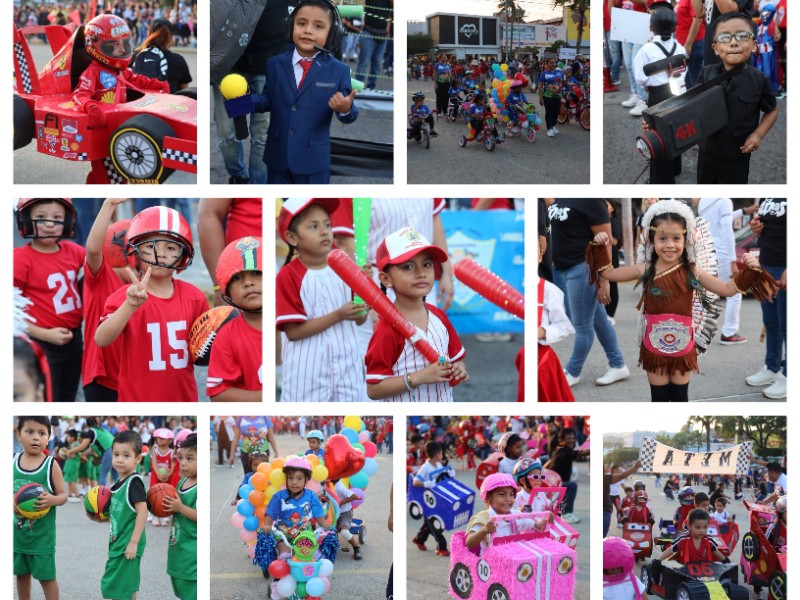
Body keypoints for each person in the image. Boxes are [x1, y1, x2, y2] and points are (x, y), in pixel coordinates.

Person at [588, 199, 778, 401]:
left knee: (680, 398)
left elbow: (727, 289)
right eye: (662, 238)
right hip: (653, 347)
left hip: (684, 347)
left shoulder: (693, 271)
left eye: (676, 238)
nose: (670, 245)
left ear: (686, 240)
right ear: (652, 240)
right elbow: (607, 273)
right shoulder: (645, 269)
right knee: (659, 399)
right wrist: (600, 245)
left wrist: (750, 270)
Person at [95, 206, 209, 402]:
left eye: (171, 247)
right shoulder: (123, 297)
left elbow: (205, 351)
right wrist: (130, 305)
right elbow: (101, 339)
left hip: (183, 400)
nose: (161, 254)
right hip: (138, 400)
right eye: (150, 246)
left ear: (183, 255)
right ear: (135, 252)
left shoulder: (195, 297)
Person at [242, 0, 358, 184]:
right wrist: (239, 104)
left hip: (313, 162)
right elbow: (268, 99)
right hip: (277, 159)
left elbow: (350, 113)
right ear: (289, 27)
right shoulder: (275, 63)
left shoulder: (339, 70)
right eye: (301, 23)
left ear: (332, 34)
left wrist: (345, 108)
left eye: (318, 26)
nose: (308, 30)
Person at [276, 199, 368, 402]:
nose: (325, 231)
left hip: (348, 372)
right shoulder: (287, 275)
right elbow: (293, 332)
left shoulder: (348, 267)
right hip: (307, 377)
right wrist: (339, 315)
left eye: (327, 224)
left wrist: (365, 286)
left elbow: (360, 318)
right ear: (292, 237)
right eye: (314, 226)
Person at [365, 227, 468, 402]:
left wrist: (459, 368)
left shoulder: (439, 316)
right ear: (386, 279)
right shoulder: (386, 328)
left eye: (427, 265)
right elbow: (374, 389)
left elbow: (457, 360)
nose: (421, 273)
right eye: (408, 266)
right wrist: (418, 378)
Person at [547, 198, 629, 388]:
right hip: (562, 268)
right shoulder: (562, 196)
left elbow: (605, 241)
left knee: (582, 326)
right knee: (598, 320)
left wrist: (604, 279)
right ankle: (618, 364)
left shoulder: (591, 200)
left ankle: (573, 371)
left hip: (583, 268)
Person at [14, 198, 84, 403]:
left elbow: (100, 264)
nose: (50, 224)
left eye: (57, 218)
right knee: (48, 399)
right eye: (41, 217)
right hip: (42, 342)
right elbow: (9, 312)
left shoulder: (75, 251)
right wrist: (45, 334)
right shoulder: (20, 259)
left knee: (68, 398)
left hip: (75, 339)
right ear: (26, 220)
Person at [694, 13, 778, 184]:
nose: (733, 42)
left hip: (737, 157)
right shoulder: (706, 73)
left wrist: (758, 134)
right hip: (706, 153)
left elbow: (772, 111)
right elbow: (688, 105)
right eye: (724, 37)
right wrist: (657, 125)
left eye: (742, 36)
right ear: (715, 48)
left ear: (754, 45)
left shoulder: (759, 80)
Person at [82, 198, 132, 402]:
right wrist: (109, 204)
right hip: (101, 377)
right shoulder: (102, 277)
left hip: (135, 376)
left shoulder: (152, 285)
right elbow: (93, 250)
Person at [14, 416, 68, 600]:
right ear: (18, 434)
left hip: (41, 539)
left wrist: (52, 500)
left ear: (48, 437)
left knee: (47, 578)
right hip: (17, 537)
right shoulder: (11, 462)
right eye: (29, 432)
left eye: (42, 433)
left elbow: (63, 495)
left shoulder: (51, 465)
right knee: (21, 575)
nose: (36, 437)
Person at [634, 5, 687, 184]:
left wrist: (649, 86)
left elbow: (640, 78)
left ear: (651, 27)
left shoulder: (646, 50)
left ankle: (663, 180)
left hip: (657, 96)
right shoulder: (680, 48)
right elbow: (684, 71)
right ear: (674, 28)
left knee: (659, 138)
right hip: (678, 93)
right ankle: (676, 167)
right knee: (675, 130)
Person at [263, 457, 329, 598]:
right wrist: (267, 524)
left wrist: (324, 525)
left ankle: (312, 585)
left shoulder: (311, 496)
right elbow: (271, 512)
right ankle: (276, 584)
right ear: (285, 479)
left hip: (305, 537)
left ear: (306, 480)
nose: (294, 482)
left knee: (314, 558)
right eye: (290, 478)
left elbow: (318, 514)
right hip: (284, 536)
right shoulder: (279, 496)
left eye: (299, 478)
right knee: (285, 557)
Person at [208, 237, 263, 401]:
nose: (248, 283)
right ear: (227, 293)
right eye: (237, 278)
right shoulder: (226, 336)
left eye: (257, 273)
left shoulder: (289, 324)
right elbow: (218, 395)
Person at [745, 198, 786, 398]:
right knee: (771, 322)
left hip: (785, 267)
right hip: (767, 265)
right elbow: (768, 228)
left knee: (788, 325)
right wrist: (756, 228)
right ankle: (772, 368)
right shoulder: (768, 196)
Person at [101, 431, 148, 600]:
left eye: (126, 455)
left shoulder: (133, 482)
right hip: (118, 541)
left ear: (138, 459)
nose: (120, 459)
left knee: (121, 587)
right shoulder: (117, 484)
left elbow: (143, 512)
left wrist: (133, 543)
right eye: (116, 454)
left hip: (128, 543)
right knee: (123, 587)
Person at [696, 198, 746, 344]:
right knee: (735, 292)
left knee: (706, 292)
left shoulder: (704, 201)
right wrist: (732, 260)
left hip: (705, 250)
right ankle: (729, 333)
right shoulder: (724, 199)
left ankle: (696, 331)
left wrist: (743, 212)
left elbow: (722, 217)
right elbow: (726, 229)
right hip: (721, 251)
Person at [465, 473, 553, 552]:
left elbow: (535, 525)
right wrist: (483, 530)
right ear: (489, 497)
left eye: (511, 495)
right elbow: (469, 543)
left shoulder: (516, 514)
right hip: (491, 562)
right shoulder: (484, 517)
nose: (508, 499)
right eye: (502, 494)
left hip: (513, 559)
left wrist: (544, 521)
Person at [163, 433, 197, 600]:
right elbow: (174, 509)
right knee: (182, 591)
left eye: (190, 458)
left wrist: (180, 507)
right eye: (181, 457)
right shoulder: (181, 482)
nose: (183, 463)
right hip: (178, 549)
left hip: (192, 555)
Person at [411, 442, 454, 556]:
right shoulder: (425, 467)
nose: (442, 455)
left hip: (437, 499)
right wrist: (426, 483)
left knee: (429, 522)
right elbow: (416, 481)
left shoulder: (439, 465)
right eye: (441, 453)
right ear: (436, 454)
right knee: (435, 522)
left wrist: (450, 474)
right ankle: (442, 547)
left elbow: (443, 477)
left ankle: (419, 538)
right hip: (427, 500)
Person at [131, 17, 192, 93]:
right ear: (170, 38)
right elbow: (185, 92)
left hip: (140, 103)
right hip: (169, 103)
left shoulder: (136, 55)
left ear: (149, 34)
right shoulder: (178, 60)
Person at [545, 427, 589, 523]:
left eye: (573, 438)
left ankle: (560, 512)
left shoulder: (558, 449)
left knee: (566, 487)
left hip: (554, 484)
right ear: (561, 440)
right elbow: (582, 452)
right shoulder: (566, 451)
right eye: (568, 439)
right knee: (571, 486)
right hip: (553, 486)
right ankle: (567, 513)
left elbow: (548, 462)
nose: (571, 441)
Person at [654, 509, 725, 567]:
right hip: (687, 574)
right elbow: (670, 550)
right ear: (689, 526)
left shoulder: (709, 540)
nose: (702, 530)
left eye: (705, 527)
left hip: (707, 573)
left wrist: (727, 563)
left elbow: (718, 554)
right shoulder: (683, 539)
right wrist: (658, 561)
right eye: (698, 527)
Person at [354, 0, 392, 90]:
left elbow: (390, 17)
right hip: (369, 32)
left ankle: (371, 87)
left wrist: (387, 30)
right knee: (364, 62)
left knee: (377, 65)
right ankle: (358, 88)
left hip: (382, 34)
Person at [676, 0, 706, 88]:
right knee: (689, 80)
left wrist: (688, 44)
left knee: (696, 82)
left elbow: (697, 19)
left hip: (694, 44)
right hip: (686, 43)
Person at [333, 478, 363, 560]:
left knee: (344, 532)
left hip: (344, 513)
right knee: (330, 531)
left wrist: (340, 503)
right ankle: (332, 547)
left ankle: (356, 548)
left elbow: (354, 496)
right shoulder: (327, 485)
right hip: (333, 513)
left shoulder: (339, 487)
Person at [538, 58, 564, 137]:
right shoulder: (544, 73)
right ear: (547, 64)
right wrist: (540, 98)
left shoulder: (559, 72)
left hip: (557, 96)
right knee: (549, 112)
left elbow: (561, 82)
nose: (553, 64)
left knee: (556, 111)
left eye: (554, 63)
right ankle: (549, 129)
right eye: (551, 63)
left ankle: (553, 126)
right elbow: (540, 86)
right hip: (547, 96)